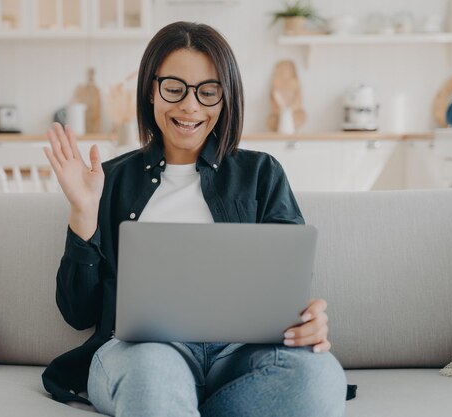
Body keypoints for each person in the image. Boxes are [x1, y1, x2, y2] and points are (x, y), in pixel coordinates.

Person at [42, 21, 347, 417]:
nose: (190, 106)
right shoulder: (108, 181)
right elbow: (77, 313)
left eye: (208, 92)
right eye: (174, 88)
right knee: (154, 379)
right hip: (143, 353)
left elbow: (287, 289)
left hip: (240, 356)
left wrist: (309, 318)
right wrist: (83, 211)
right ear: (152, 90)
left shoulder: (261, 174)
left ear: (225, 99)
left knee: (319, 377)